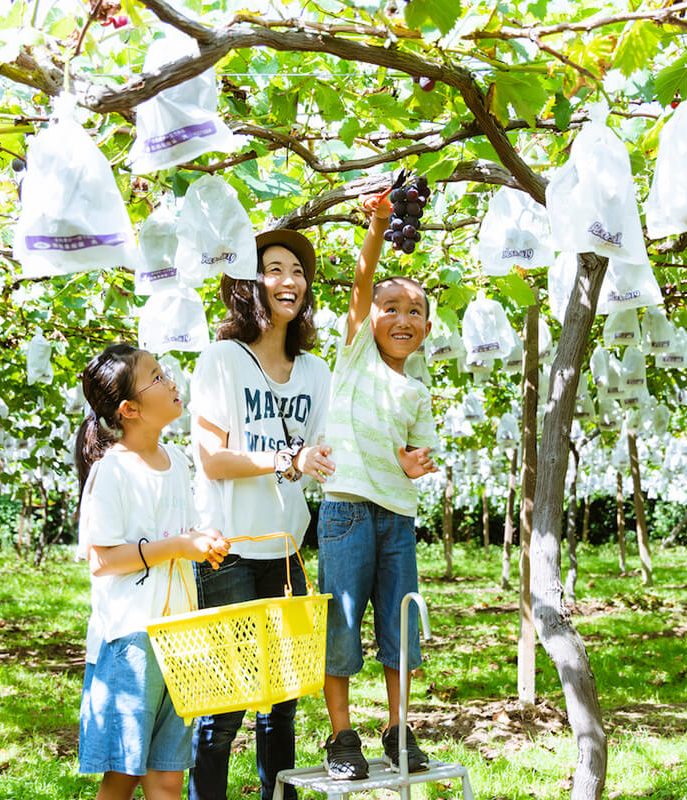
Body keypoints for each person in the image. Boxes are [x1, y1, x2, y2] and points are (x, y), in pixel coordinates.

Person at [188, 229, 336, 800]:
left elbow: (308, 458)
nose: (289, 281)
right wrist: (284, 459)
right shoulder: (222, 359)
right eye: (274, 269)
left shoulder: (315, 372)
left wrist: (310, 463)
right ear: (250, 285)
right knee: (224, 705)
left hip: (286, 549)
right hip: (226, 550)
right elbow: (212, 458)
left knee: (282, 703)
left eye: (297, 272)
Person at [73, 343, 230, 800]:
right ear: (130, 409)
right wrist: (178, 546)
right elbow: (102, 558)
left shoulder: (177, 462)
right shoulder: (112, 471)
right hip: (131, 640)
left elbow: (178, 532)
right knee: (122, 774)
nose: (171, 382)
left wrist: (200, 541)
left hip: (180, 634)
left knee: (167, 776)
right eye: (157, 377)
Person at [316, 192, 438, 780]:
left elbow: (420, 455)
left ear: (427, 329)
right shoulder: (355, 357)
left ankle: (398, 728)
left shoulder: (417, 392)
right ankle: (342, 736)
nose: (402, 319)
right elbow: (361, 285)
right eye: (391, 308)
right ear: (371, 319)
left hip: (397, 517)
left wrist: (416, 466)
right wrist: (379, 225)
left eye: (414, 312)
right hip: (345, 510)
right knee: (341, 624)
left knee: (400, 623)